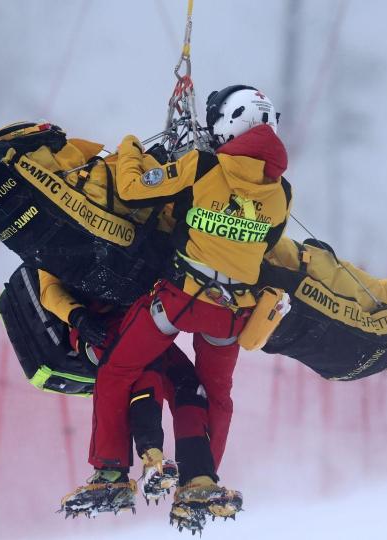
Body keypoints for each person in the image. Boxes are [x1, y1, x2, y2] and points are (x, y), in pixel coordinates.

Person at [72, 85, 292, 522]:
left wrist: (132, 145)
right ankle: (200, 482)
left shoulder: (204, 165)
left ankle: (111, 475)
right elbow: (266, 244)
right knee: (215, 395)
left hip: (180, 300)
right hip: (232, 313)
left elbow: (134, 188)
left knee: (117, 369)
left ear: (228, 122)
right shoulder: (281, 190)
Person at [39, 270, 227, 532]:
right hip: (98, 329)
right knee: (144, 368)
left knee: (188, 385)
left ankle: (197, 477)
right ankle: (115, 471)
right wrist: (78, 317)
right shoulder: (52, 234)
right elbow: (48, 289)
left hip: (140, 320)